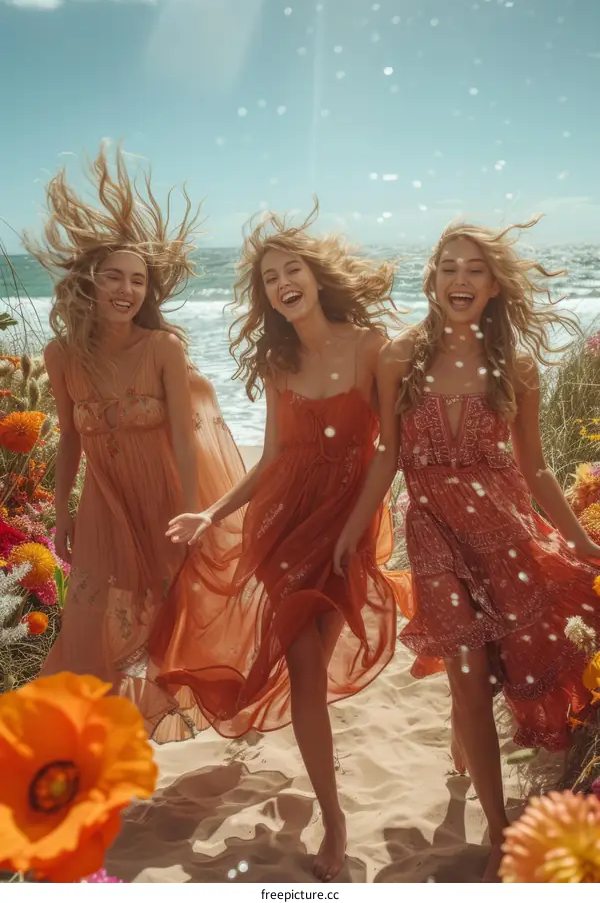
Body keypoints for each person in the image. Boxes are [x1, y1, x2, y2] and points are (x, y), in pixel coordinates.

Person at [333, 217, 600, 881]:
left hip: (504, 527)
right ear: (433, 277)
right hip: (431, 528)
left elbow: (536, 470)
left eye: (474, 269)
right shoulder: (399, 356)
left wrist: (582, 540)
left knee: (502, 666)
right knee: (469, 675)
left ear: (493, 285)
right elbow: (387, 455)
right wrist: (352, 531)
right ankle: (499, 831)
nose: (460, 279)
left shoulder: (518, 365)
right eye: (449, 266)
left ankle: (463, 748)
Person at [151, 204, 402, 881]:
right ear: (265, 296)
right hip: (284, 527)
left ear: (316, 277)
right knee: (306, 670)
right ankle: (335, 817)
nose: (283, 282)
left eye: (292, 269)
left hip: (347, 524)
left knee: (311, 669)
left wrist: (355, 530)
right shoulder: (277, 359)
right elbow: (271, 460)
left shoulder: (371, 344)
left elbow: (389, 452)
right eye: (269, 277)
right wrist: (211, 513)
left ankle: (327, 801)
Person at [27, 146, 245, 743]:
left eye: (138, 280)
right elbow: (70, 437)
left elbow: (181, 435)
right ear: (89, 284)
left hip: (167, 497)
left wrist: (188, 510)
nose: (126, 289)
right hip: (104, 496)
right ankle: (82, 729)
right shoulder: (61, 355)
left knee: (171, 608)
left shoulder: (162, 349)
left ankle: (199, 703)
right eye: (114, 276)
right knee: (93, 614)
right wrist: (63, 511)